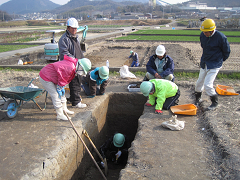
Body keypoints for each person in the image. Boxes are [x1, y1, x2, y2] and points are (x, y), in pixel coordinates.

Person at [39, 55, 90, 121]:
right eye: (82, 71)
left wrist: (61, 87)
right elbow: (63, 78)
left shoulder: (73, 66)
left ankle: (64, 109)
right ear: (80, 66)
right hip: (46, 77)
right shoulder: (70, 67)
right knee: (56, 95)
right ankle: (60, 115)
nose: (81, 73)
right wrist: (60, 87)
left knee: (62, 94)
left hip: (54, 76)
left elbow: (63, 79)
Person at [195, 19, 230, 111]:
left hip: (215, 64)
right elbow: (203, 46)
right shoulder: (203, 35)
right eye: (203, 32)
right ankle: (198, 99)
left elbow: (226, 51)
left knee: (208, 84)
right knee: (199, 82)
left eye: (206, 32)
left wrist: (219, 60)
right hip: (205, 61)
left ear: (212, 30)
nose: (204, 34)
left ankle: (215, 102)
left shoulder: (221, 37)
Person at [58, 17, 87, 108]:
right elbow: (64, 54)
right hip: (71, 64)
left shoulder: (75, 37)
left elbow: (79, 50)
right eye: (73, 28)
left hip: (78, 63)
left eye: (76, 28)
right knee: (74, 82)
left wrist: (82, 60)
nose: (74, 30)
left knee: (78, 81)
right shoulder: (64, 39)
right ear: (68, 28)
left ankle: (73, 98)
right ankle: (76, 102)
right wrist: (74, 61)